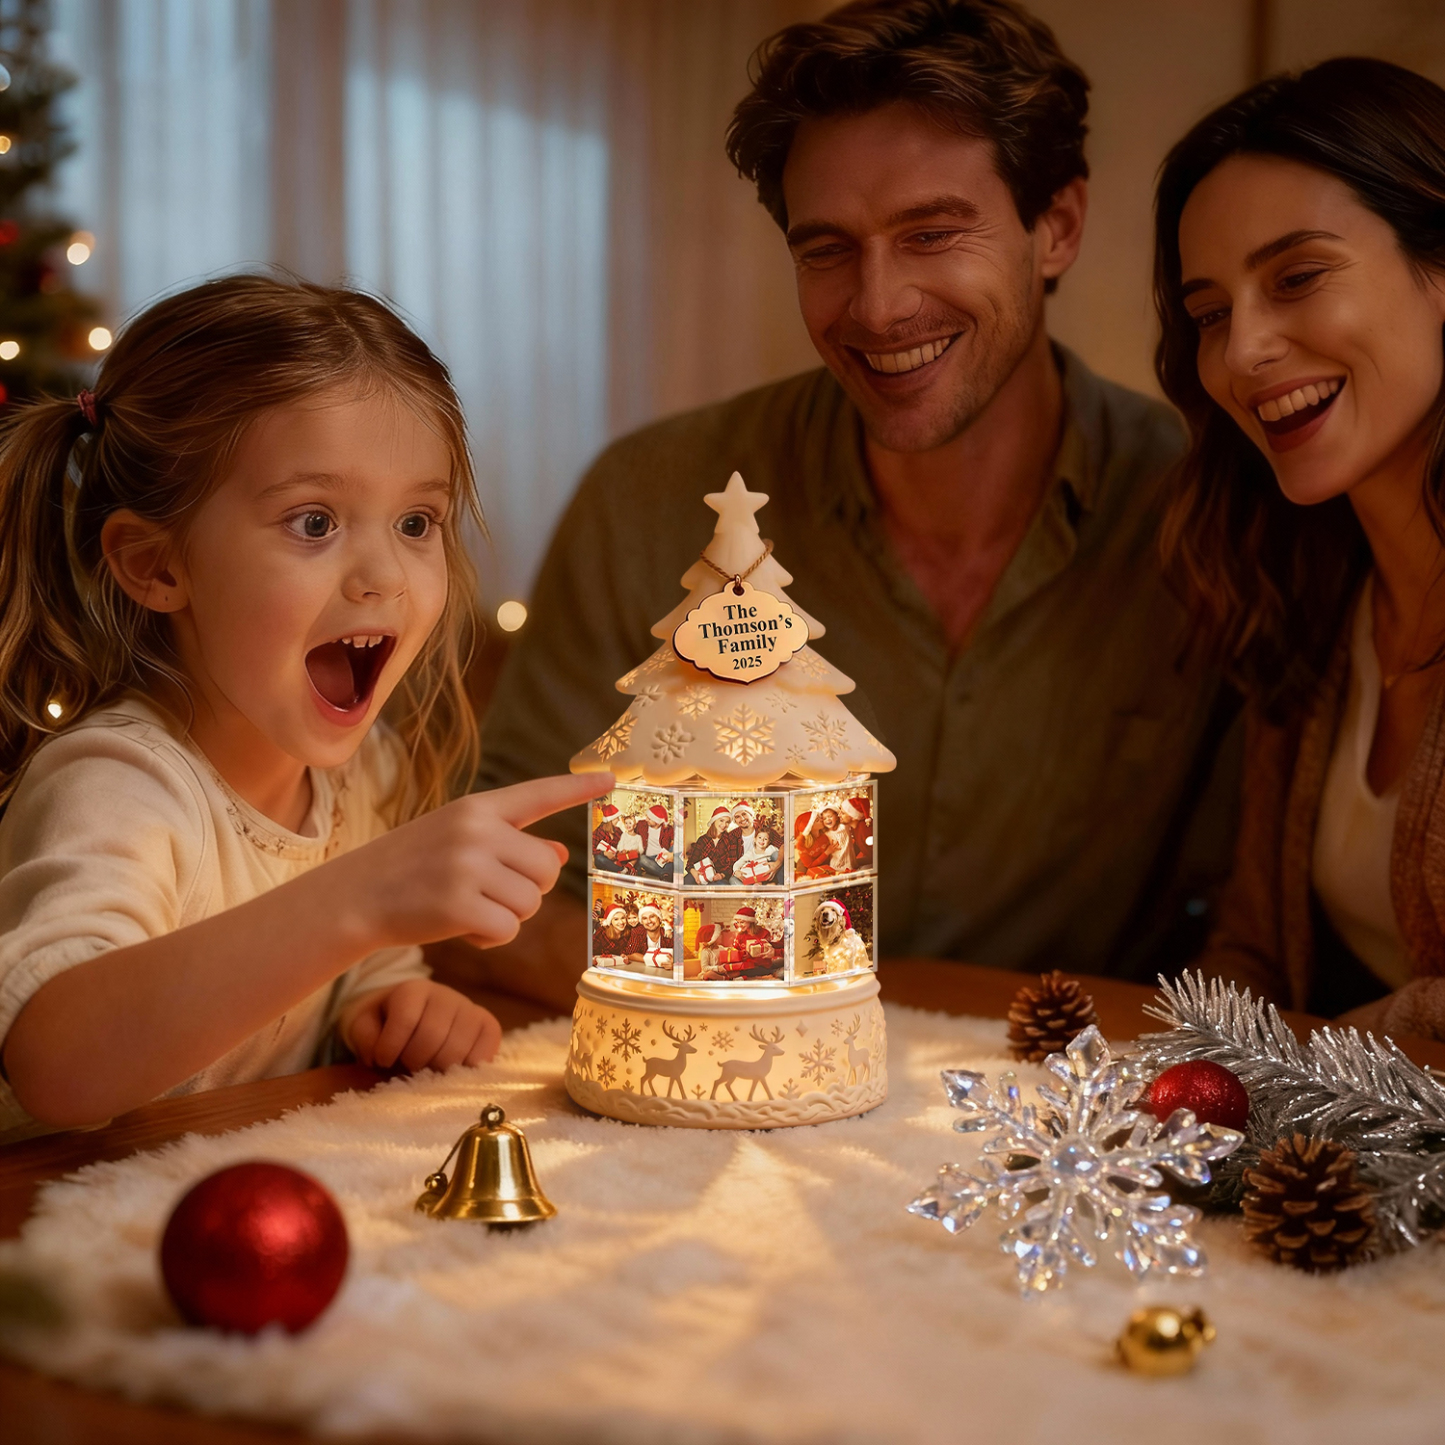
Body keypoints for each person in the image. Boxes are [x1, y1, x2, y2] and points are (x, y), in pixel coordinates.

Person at [473, 0, 1239, 1009]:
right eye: (826, 249)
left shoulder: (1206, 509)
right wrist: (776, 1016)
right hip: (709, 1086)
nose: (876, 307)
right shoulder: (650, 498)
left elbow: (1247, 925)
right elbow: (492, 892)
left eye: (931, 233)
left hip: (1063, 1117)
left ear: (1055, 226)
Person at [0, 276, 608, 1141]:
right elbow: (57, 1064)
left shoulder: (367, 775)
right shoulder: (117, 783)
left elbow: (354, 973)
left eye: (416, 523)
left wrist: (394, 1002)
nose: (386, 577)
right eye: (314, 522)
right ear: (155, 565)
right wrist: (361, 897)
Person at [1155, 58, 1445, 1036]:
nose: (1240, 354)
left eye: (1297, 278)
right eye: (1207, 314)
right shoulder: (1304, 594)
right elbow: (1251, 944)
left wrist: (1283, 1068)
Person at [636, 802, 675, 880]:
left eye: (649, 818)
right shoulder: (641, 825)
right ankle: (666, 874)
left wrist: (672, 855)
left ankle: (665, 873)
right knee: (641, 859)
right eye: (647, 817)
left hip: (663, 858)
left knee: (674, 848)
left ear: (657, 821)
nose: (646, 819)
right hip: (648, 858)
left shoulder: (668, 829)